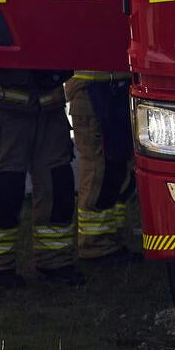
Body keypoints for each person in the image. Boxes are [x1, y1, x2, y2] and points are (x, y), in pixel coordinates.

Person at [0, 69, 83, 287]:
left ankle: (55, 262)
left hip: (50, 106)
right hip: (2, 106)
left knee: (58, 185)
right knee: (5, 190)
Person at [66, 70, 134, 261]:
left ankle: (109, 239)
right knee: (99, 171)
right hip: (92, 91)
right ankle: (94, 245)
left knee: (116, 169)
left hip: (115, 87)